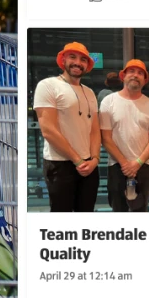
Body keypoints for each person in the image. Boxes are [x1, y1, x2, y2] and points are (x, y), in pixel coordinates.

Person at [33, 43, 101, 213]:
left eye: (83, 59)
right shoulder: (47, 85)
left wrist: (95, 159)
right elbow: (48, 130)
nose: (78, 62)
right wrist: (77, 160)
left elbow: (94, 129)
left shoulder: (90, 92)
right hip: (60, 164)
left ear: (87, 65)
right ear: (63, 60)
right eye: (73, 57)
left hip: (89, 165)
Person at [99, 60, 149, 212]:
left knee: (141, 209)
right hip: (117, 165)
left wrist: (137, 163)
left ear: (145, 80)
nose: (136, 75)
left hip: (144, 165)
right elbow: (105, 137)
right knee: (118, 209)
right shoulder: (109, 102)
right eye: (131, 71)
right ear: (123, 76)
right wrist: (125, 164)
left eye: (140, 73)